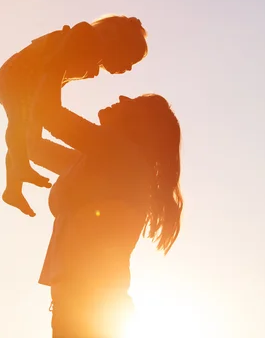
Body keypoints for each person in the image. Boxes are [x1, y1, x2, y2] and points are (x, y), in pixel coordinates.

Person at [28, 69, 184, 337]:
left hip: (90, 309)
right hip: (77, 308)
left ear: (139, 126)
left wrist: (58, 59)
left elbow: (49, 115)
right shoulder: (95, 159)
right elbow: (33, 147)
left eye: (131, 104)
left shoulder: (120, 152)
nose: (122, 98)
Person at [0, 15, 148, 217]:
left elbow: (53, 77)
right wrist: (50, 110)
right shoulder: (84, 36)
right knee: (19, 126)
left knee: (26, 138)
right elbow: (52, 68)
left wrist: (48, 108)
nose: (127, 68)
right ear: (114, 39)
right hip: (18, 77)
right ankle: (20, 168)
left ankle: (12, 189)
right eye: (129, 59)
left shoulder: (88, 54)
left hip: (31, 86)